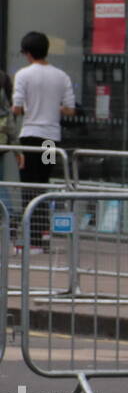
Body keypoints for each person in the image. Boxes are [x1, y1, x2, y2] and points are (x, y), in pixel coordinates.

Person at [12, 32, 75, 252]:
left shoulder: (23, 75)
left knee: (28, 186)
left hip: (30, 137)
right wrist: (53, 108)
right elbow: (69, 109)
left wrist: (24, 109)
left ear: (28, 52)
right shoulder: (62, 76)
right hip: (51, 140)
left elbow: (17, 108)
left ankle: (33, 241)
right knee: (43, 182)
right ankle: (44, 232)